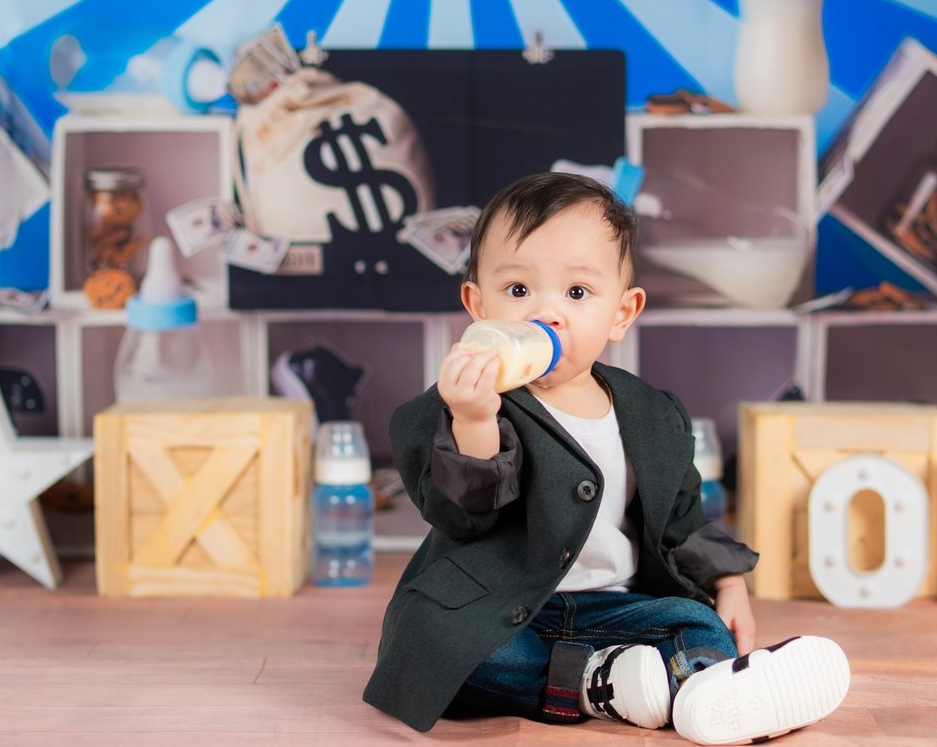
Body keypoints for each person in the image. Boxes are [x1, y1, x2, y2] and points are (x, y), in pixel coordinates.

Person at [364, 172, 850, 742]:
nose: (546, 313)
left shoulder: (652, 413)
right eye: (518, 290)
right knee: (439, 639)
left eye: (577, 293)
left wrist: (730, 585)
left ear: (621, 312)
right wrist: (472, 421)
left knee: (699, 625)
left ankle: (709, 687)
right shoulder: (465, 405)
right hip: (505, 609)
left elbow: (681, 517)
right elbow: (464, 517)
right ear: (478, 305)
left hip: (619, 610)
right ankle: (603, 683)